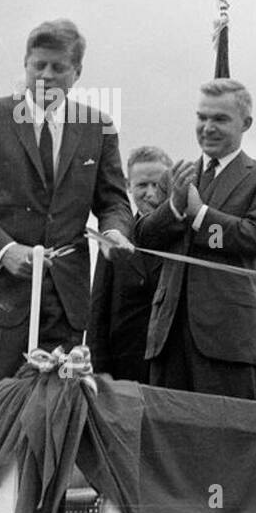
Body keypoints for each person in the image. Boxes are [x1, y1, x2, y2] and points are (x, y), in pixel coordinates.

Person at [0, 19, 134, 384]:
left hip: (66, 300)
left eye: (58, 67)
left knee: (55, 414)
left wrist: (115, 231)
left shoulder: (98, 127)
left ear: (76, 73)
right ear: (26, 64)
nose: (46, 75)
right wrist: (5, 251)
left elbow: (113, 200)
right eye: (39, 65)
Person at [136, 79, 256, 400]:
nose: (208, 128)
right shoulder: (175, 177)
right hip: (167, 338)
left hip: (228, 342)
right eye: (201, 118)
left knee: (226, 440)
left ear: (245, 123)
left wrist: (201, 215)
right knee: (164, 441)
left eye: (220, 119)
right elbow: (145, 240)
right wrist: (175, 206)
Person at [87, 146, 172, 382]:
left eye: (158, 184)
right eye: (142, 185)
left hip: (171, 366)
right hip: (123, 366)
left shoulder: (183, 235)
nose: (151, 193)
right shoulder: (115, 238)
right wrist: (98, 375)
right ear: (127, 186)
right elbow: (98, 311)